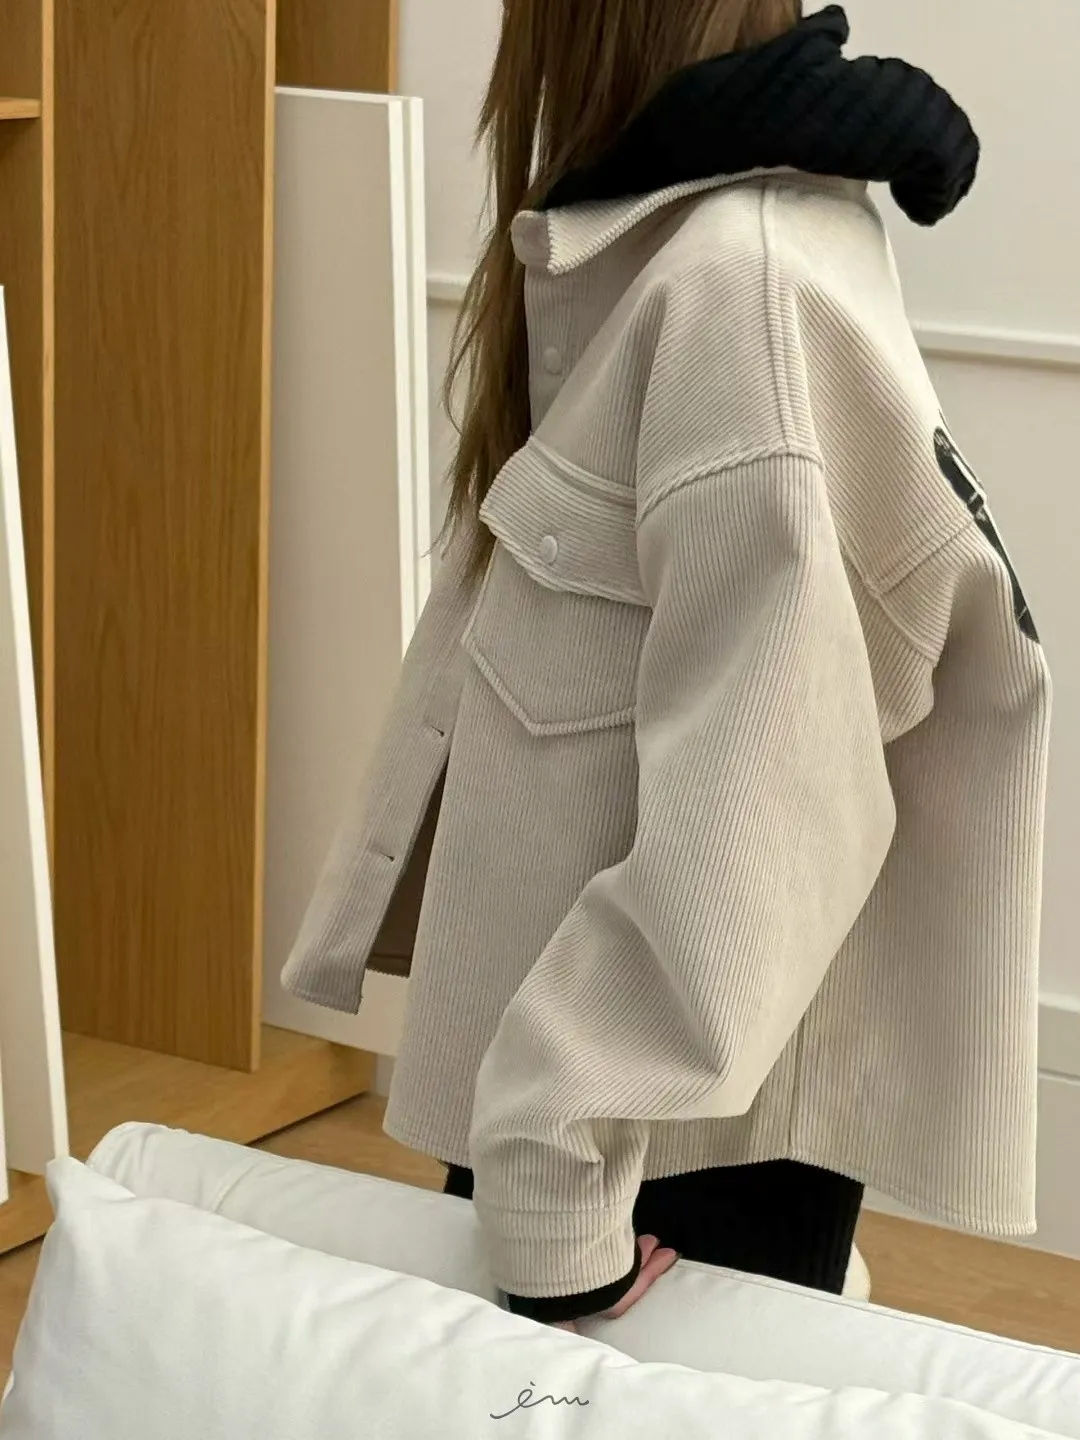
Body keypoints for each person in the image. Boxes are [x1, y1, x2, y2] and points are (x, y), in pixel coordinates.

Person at [283, 1, 1051, 1331]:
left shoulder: (736, 289)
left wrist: (555, 1189)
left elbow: (769, 806)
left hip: (642, 1148)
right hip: (607, 1090)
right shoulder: (656, 241)